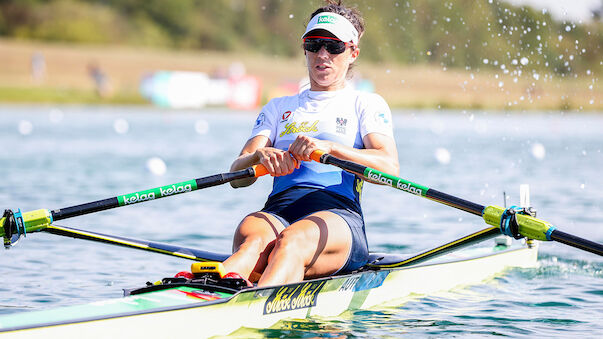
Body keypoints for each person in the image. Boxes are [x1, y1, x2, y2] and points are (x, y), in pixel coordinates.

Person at [223, 0, 399, 287]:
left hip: (338, 217)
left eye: (334, 47)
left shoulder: (364, 103)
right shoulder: (278, 107)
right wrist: (259, 157)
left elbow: (390, 169)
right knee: (251, 235)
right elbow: (236, 176)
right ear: (304, 48)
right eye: (314, 44)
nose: (322, 54)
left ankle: (252, 304)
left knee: (292, 241)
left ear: (352, 52)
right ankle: (212, 286)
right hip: (277, 211)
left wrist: (329, 148)